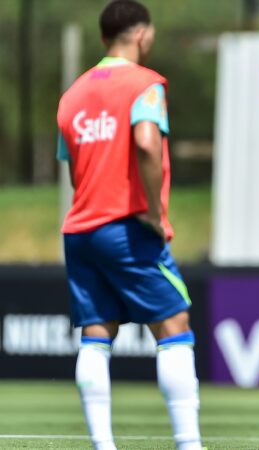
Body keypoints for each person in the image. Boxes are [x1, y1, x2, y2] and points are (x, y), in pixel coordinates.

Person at [55, 1, 201, 449]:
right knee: (174, 324)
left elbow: (71, 165)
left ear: (104, 39)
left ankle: (103, 445)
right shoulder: (146, 84)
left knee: (96, 332)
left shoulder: (72, 94)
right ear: (142, 34)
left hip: (81, 229)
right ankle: (189, 443)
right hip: (128, 226)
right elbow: (146, 143)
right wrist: (154, 214)